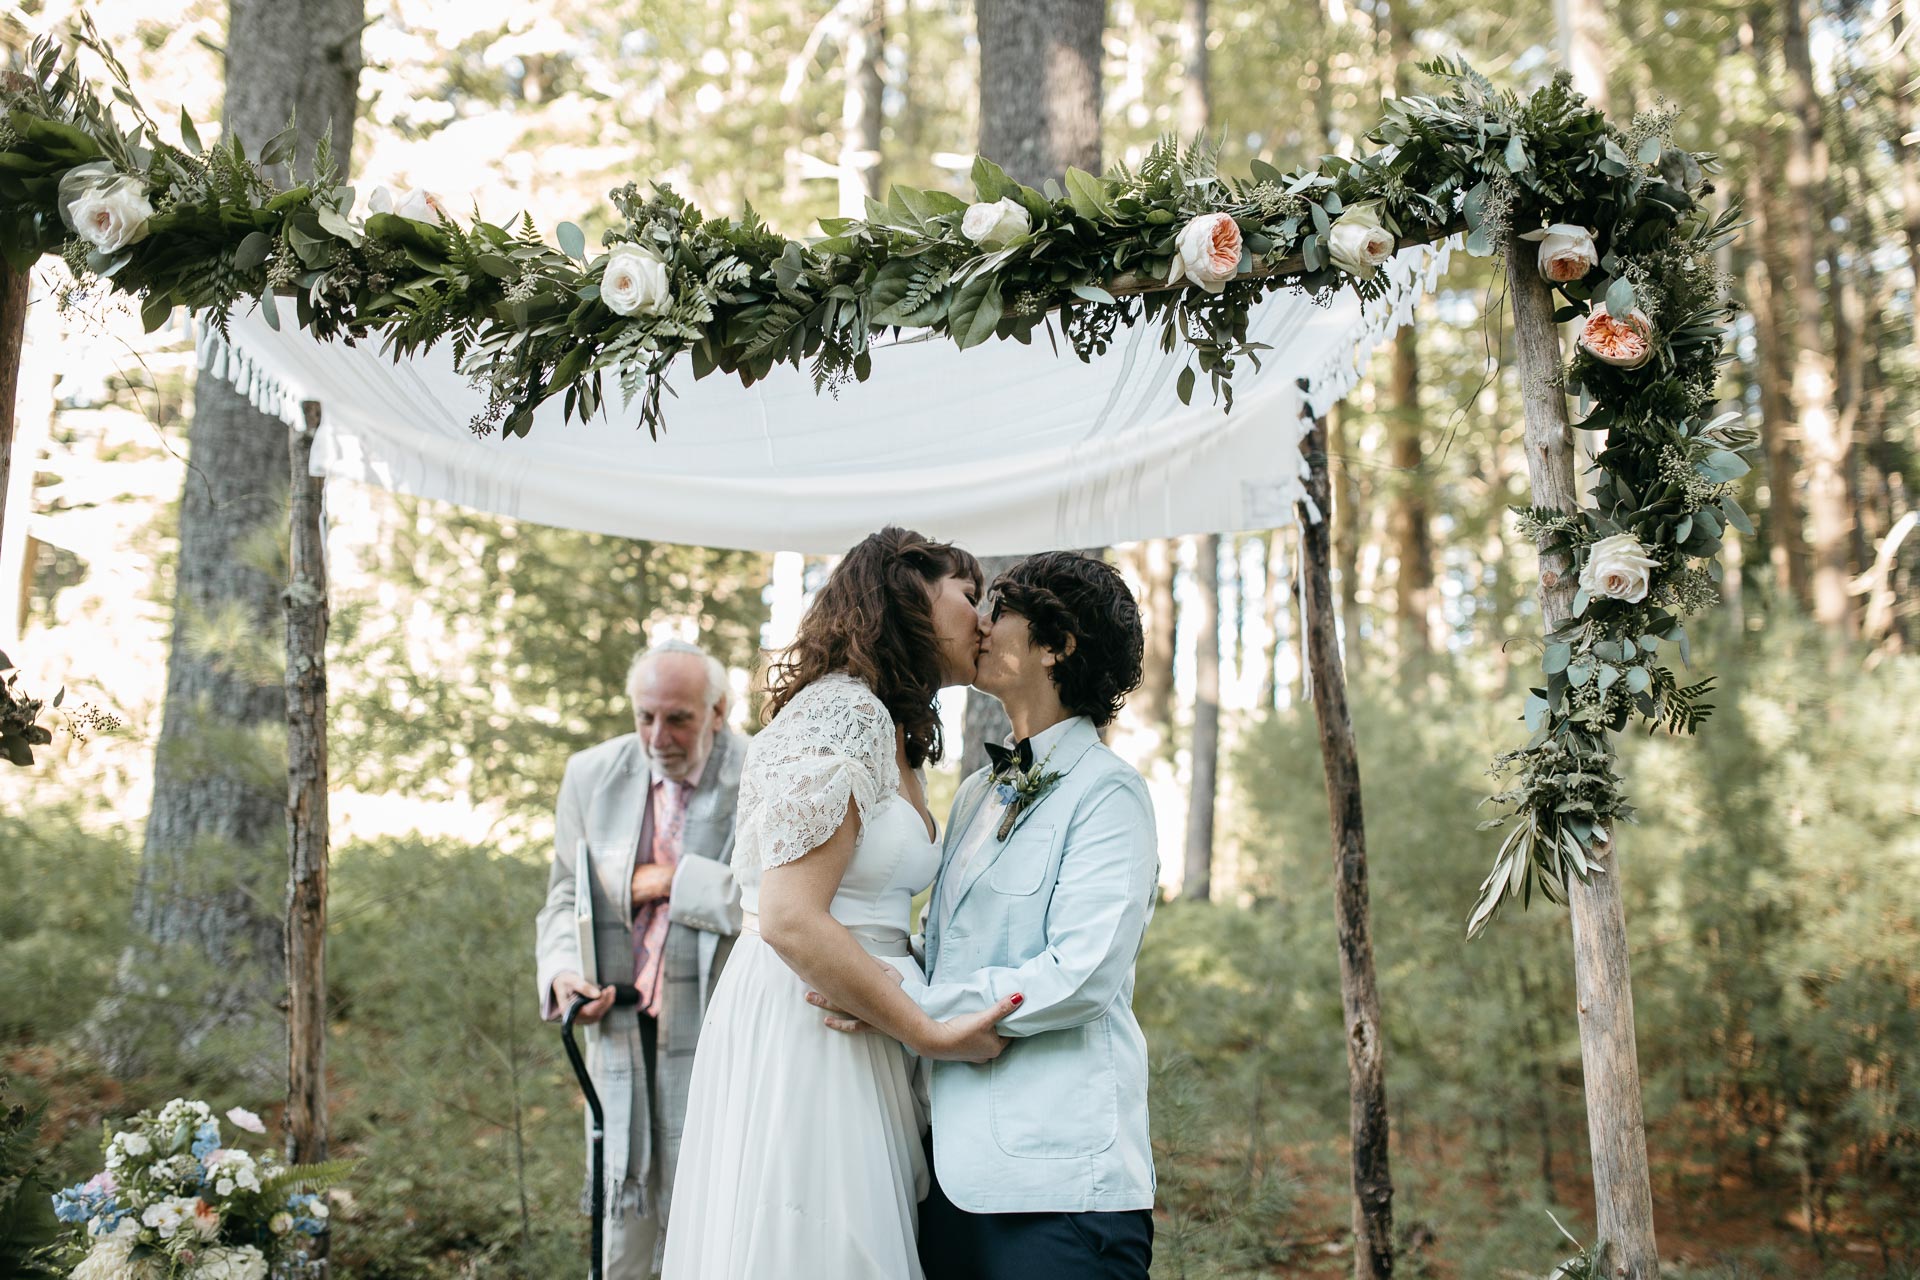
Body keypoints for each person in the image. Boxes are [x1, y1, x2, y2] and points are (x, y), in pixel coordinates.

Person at [661, 527, 1021, 1280]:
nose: (983, 617)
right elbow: (789, 916)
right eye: (968, 594)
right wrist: (931, 1032)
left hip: (866, 1021)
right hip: (813, 1026)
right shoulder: (843, 714)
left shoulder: (891, 724)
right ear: (909, 596)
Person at [815, 550, 1159, 1280]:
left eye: (1000, 611)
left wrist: (909, 1007)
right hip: (947, 1177)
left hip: (1058, 1193)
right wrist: (861, 974)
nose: (980, 624)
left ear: (1056, 644)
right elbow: (946, 949)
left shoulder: (1110, 794)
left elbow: (1083, 973)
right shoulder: (977, 791)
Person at [534, 639, 747, 1278]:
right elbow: (565, 896)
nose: (659, 736)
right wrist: (564, 973)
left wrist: (657, 880)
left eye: (678, 717)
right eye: (644, 716)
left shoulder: (760, 772)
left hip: (718, 1028)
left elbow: (759, 896)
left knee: (712, 1209)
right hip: (618, 1028)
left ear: (718, 710)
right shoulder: (591, 774)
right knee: (622, 1229)